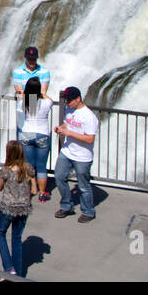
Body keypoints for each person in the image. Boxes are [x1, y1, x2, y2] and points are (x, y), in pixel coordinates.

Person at [53, 86, 98, 223]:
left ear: (78, 99)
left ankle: (88, 211)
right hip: (67, 152)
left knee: (83, 186)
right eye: (66, 100)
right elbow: (68, 124)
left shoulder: (89, 117)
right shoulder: (69, 109)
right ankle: (66, 206)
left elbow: (90, 139)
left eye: (69, 101)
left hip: (82, 157)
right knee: (59, 177)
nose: (67, 103)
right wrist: (61, 128)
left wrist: (69, 133)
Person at [0, 140, 34, 277]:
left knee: (0, 234)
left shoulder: (6, 170)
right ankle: (17, 275)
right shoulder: (28, 168)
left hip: (8, 208)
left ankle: (8, 267)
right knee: (17, 238)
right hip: (24, 208)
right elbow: (33, 188)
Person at [19, 77, 54, 202]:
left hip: (27, 133)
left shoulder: (25, 102)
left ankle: (29, 190)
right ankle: (43, 193)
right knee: (41, 166)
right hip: (42, 134)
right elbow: (51, 101)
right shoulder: (46, 102)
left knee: (29, 165)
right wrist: (43, 93)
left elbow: (25, 106)